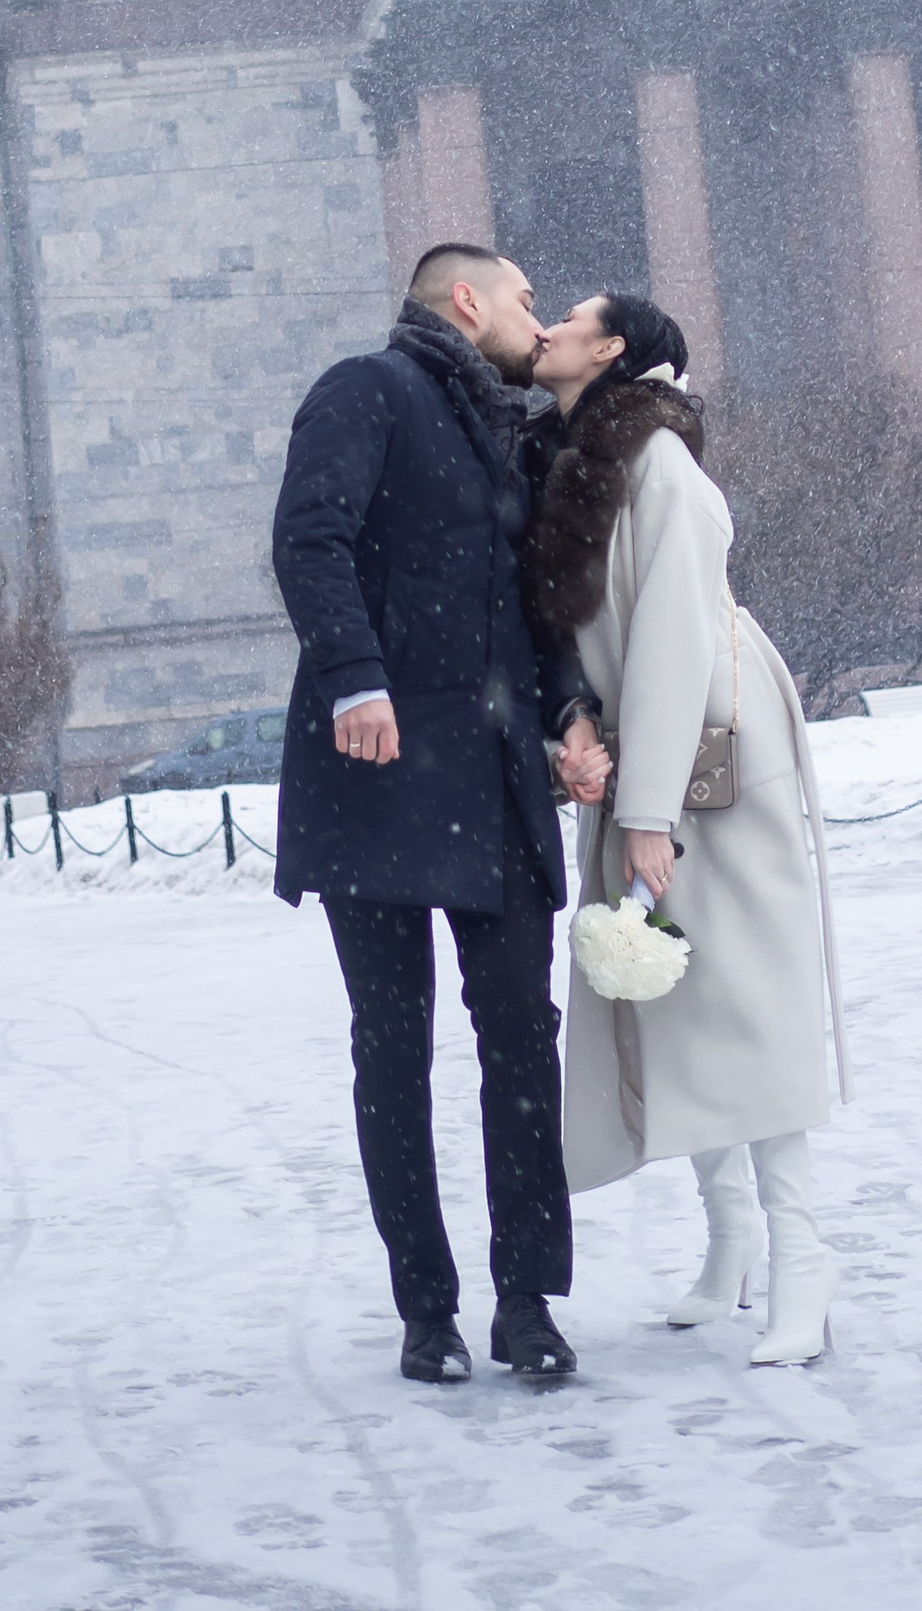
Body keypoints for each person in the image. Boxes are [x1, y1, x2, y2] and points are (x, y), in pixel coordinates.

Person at [271, 241, 612, 1389]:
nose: (535, 313)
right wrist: (356, 676)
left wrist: (569, 709)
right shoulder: (364, 389)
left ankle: (527, 1303)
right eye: (523, 296)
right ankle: (429, 1311)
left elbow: (530, 603)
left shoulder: (503, 429)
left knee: (522, 1037)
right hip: (375, 766)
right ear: (465, 300)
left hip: (498, 773)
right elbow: (308, 536)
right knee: (394, 1048)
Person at [521, 292, 849, 1367]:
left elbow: (670, 637)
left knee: (752, 1003)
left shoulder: (656, 461)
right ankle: (733, 1241)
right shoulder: (575, 460)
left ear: (612, 347)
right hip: (646, 755)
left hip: (710, 752)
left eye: (569, 315)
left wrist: (647, 812)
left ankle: (802, 1261)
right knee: (670, 996)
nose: (551, 327)